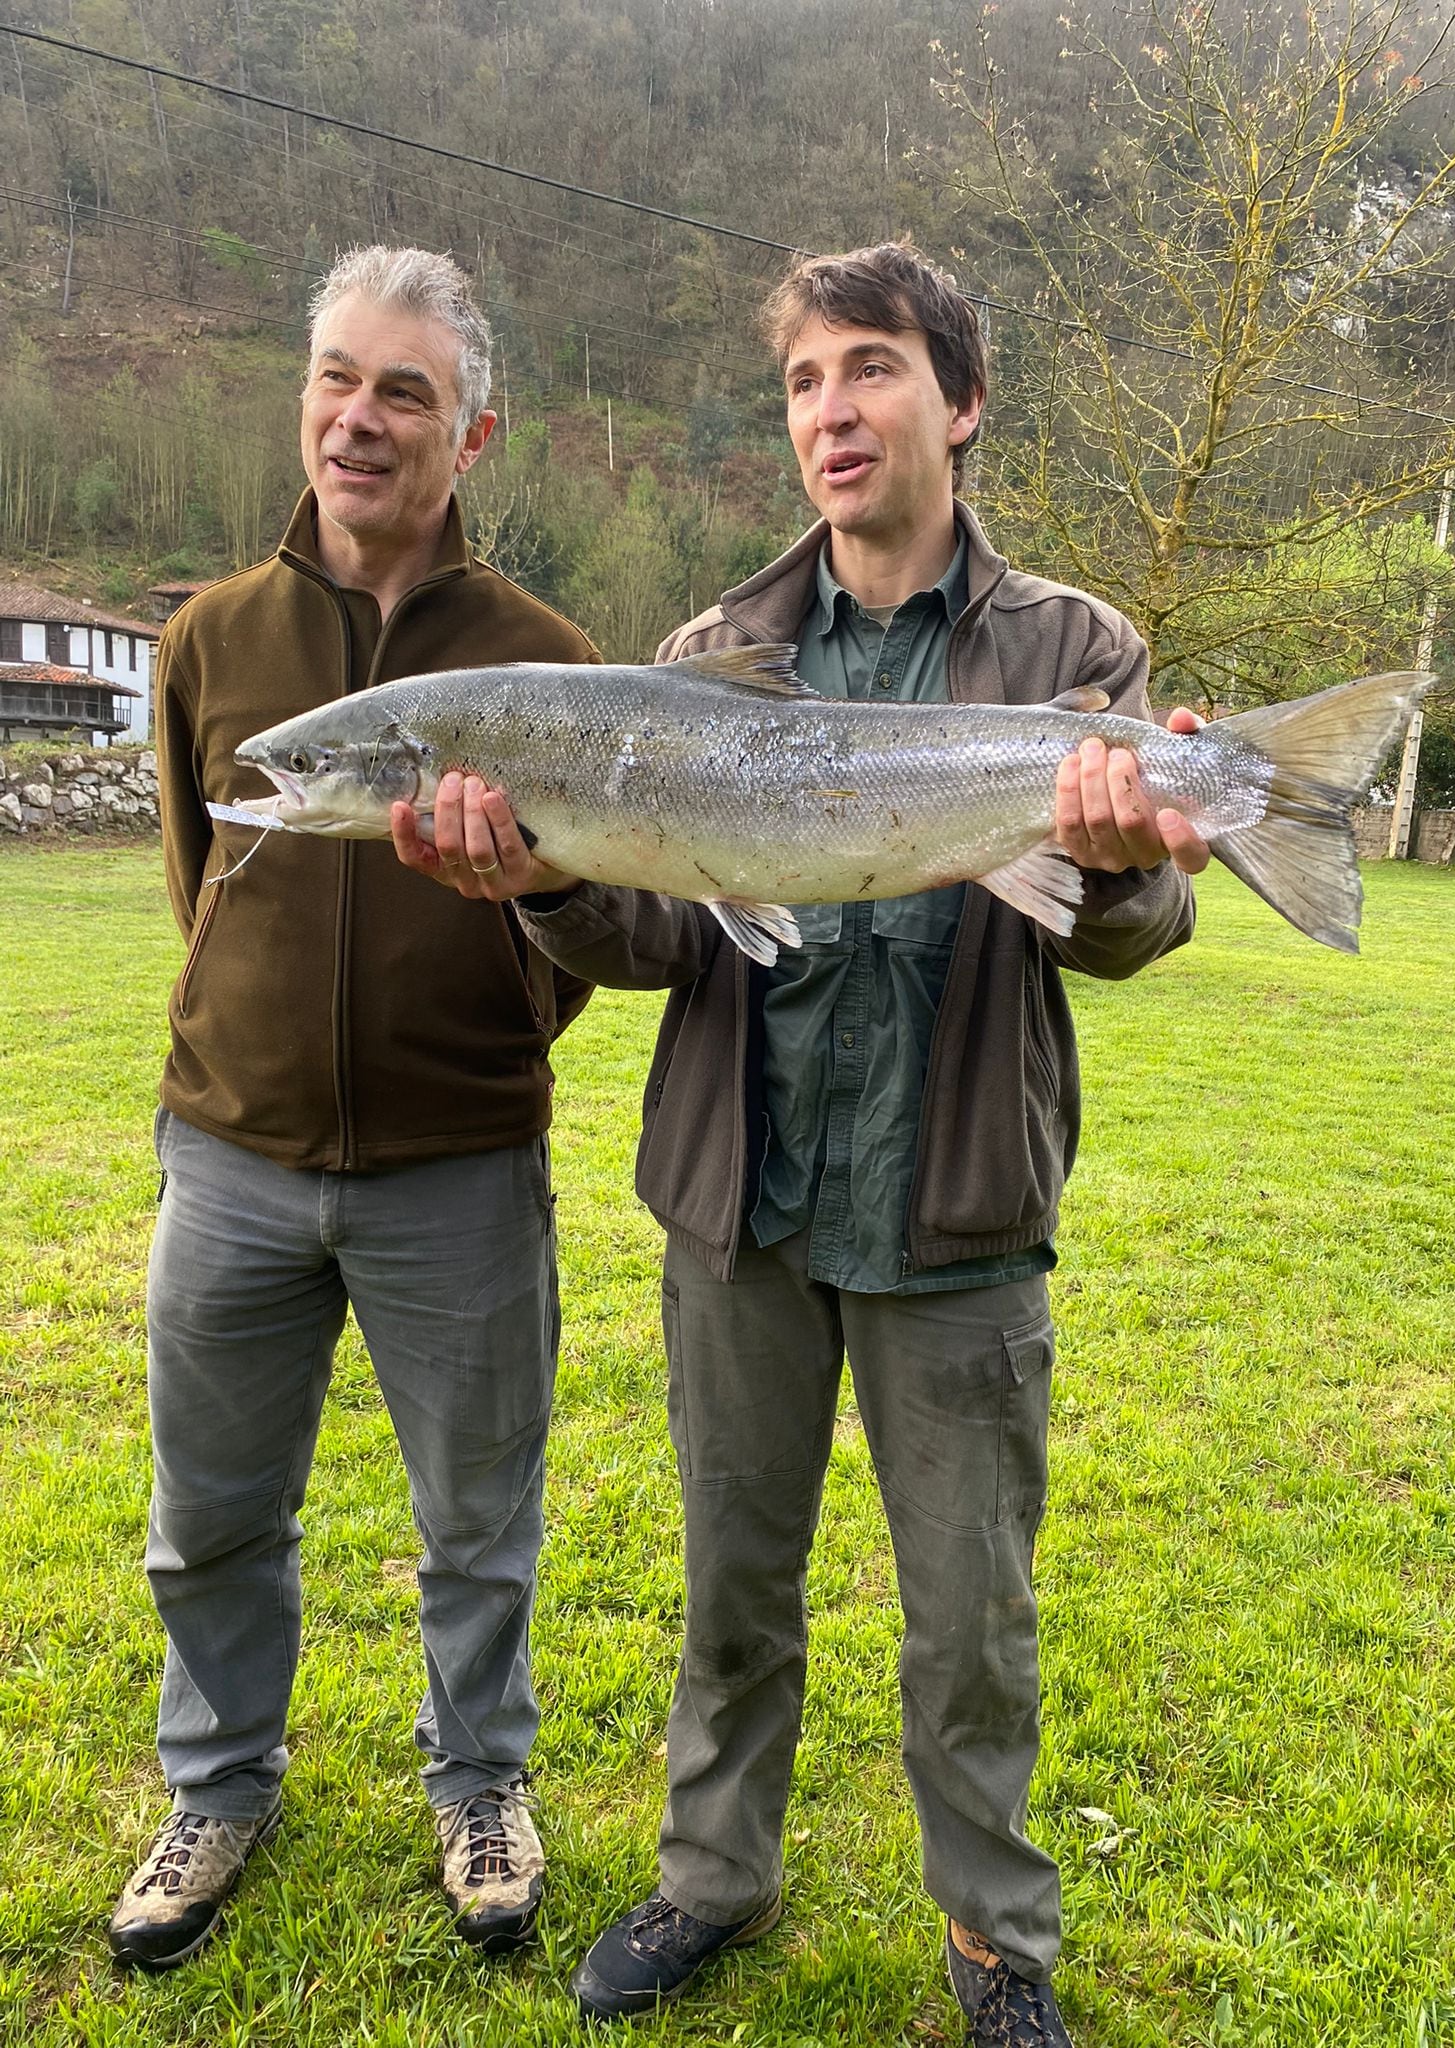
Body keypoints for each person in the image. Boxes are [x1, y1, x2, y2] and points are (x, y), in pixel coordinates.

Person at [394, 241, 1209, 2047]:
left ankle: (999, 1948)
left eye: (870, 369)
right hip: (739, 1210)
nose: (830, 413)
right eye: (802, 383)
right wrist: (538, 886)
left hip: (961, 1210)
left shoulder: (1075, 653)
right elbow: (667, 935)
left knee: (971, 1624)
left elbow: (1135, 941)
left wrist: (1129, 864)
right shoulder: (709, 657)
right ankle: (711, 1880)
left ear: (960, 400)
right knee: (731, 1589)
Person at [109, 246, 600, 1973]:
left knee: (479, 1524)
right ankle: (221, 1784)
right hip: (230, 1159)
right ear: (302, 393)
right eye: (337, 377)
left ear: (475, 431)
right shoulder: (210, 641)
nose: (360, 418)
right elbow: (204, 876)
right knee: (209, 1516)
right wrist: (245, 1055)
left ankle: (480, 1780)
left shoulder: (548, 663)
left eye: (405, 389)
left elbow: (596, 922)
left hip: (459, 1167)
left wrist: (520, 902)